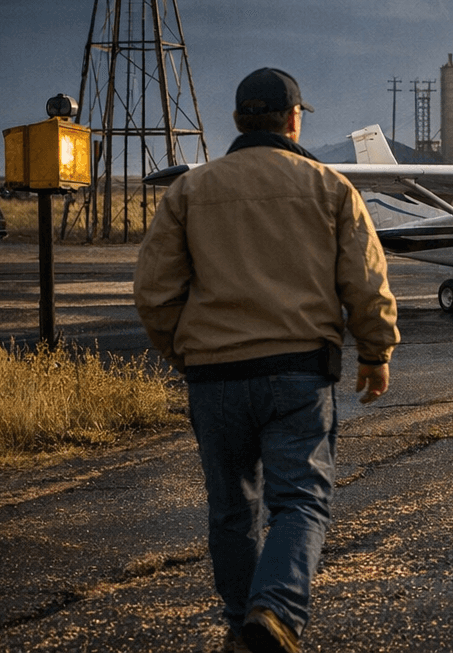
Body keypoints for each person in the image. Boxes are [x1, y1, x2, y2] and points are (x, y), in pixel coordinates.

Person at [135, 67, 400, 653]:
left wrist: (185, 353)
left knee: (231, 509)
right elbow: (366, 280)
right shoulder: (330, 188)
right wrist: (375, 352)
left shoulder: (188, 191)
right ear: (293, 118)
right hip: (298, 375)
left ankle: (240, 627)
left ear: (236, 121)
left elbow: (154, 291)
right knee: (300, 501)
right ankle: (274, 614)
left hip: (214, 377)